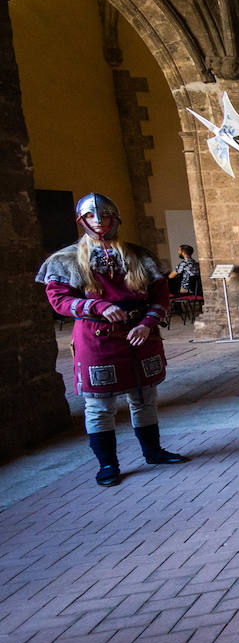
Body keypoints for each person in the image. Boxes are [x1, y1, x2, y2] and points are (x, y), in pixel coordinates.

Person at [36, 193, 187, 486]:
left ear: (114, 218)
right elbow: (59, 299)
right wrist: (97, 306)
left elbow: (160, 295)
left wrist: (147, 323)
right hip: (98, 339)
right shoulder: (65, 260)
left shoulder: (140, 255)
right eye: (92, 217)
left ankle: (153, 452)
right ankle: (107, 465)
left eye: (104, 216)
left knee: (144, 398)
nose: (99, 222)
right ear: (82, 220)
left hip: (141, 335)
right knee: (99, 405)